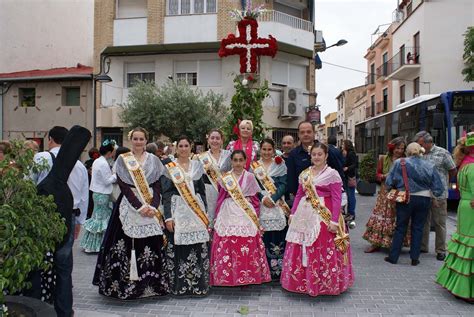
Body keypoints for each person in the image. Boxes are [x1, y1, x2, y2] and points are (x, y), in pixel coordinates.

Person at [93, 127, 169, 299]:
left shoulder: (154, 160)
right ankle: (124, 287)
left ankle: (152, 286)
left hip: (150, 203)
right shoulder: (123, 159)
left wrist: (154, 206)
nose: (138, 142)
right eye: (135, 138)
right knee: (125, 245)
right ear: (131, 140)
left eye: (141, 139)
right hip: (129, 203)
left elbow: (157, 184)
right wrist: (139, 206)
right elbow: (123, 185)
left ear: (146, 140)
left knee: (151, 245)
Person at [281, 142, 353, 296]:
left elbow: (336, 198)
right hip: (304, 213)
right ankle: (301, 281)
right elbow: (300, 194)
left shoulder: (332, 174)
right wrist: (293, 213)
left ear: (326, 156)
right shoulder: (305, 174)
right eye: (314, 154)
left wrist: (334, 221)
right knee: (301, 244)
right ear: (310, 156)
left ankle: (324, 283)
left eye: (320, 154)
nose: (317, 157)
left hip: (324, 214)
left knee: (321, 245)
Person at [31, 126, 89, 316]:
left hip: (42, 217)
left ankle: (38, 305)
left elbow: (28, 185)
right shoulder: (80, 166)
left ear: (50, 139)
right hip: (69, 217)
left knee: (39, 265)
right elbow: (84, 196)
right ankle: (64, 311)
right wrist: (79, 222)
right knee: (64, 267)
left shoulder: (41, 158)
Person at [210, 150, 271, 286]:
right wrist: (216, 216)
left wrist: (256, 217)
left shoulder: (250, 177)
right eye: (235, 160)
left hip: (245, 212)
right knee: (228, 243)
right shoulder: (225, 178)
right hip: (228, 211)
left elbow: (255, 200)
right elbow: (220, 198)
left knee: (246, 244)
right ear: (231, 161)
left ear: (245, 161)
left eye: (240, 160)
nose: (238, 163)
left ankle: (247, 276)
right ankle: (228, 277)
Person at [161, 136, 210, 296]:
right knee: (178, 249)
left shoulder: (197, 166)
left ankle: (198, 286)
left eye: (186, 145)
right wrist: (168, 217)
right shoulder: (170, 167)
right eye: (180, 146)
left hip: (195, 212)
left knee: (197, 247)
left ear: (191, 148)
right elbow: (166, 194)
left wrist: (205, 214)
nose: (183, 148)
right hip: (177, 212)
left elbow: (202, 192)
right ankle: (178, 286)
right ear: (176, 148)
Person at [384, 142, 444, 266]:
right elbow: (438, 187)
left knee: (400, 227)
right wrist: (435, 195)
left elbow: (389, 181)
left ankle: (393, 256)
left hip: (406, 198)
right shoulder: (429, 165)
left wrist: (392, 189)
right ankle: (415, 258)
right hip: (424, 199)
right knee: (418, 228)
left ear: (408, 151)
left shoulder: (400, 163)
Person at [436, 132, 474, 303]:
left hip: (465, 206)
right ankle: (465, 288)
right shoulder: (473, 167)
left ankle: (457, 282)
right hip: (471, 208)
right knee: (470, 244)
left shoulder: (465, 164)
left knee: (464, 242)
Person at [415, 131, 457, 261]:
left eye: (421, 144)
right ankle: (423, 246)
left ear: (428, 143)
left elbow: (453, 170)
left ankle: (440, 249)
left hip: (438, 194)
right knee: (424, 221)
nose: (419, 146)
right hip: (423, 193)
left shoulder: (442, 153)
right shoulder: (420, 154)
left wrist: (445, 184)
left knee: (439, 222)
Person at [363, 137, 409, 253]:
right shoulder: (383, 159)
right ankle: (376, 243)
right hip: (385, 192)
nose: (399, 151)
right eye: (397, 148)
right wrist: (384, 176)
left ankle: (394, 244)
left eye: (402, 148)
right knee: (381, 216)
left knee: (397, 217)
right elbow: (377, 174)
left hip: (399, 192)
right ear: (392, 148)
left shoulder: (406, 160)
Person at [251, 138, 288, 280]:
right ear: (260, 150)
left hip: (277, 203)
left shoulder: (280, 164)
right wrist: (262, 198)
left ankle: (277, 271)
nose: (266, 152)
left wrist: (274, 198)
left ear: (273, 150)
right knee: (263, 236)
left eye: (269, 149)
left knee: (278, 235)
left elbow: (284, 184)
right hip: (261, 204)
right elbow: (252, 186)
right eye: (264, 149)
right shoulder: (255, 166)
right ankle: (263, 270)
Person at [80, 140, 117, 253]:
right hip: (102, 193)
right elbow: (107, 181)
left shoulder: (97, 161)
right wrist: (116, 175)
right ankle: (95, 246)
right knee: (100, 220)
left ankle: (91, 244)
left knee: (97, 218)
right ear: (109, 152)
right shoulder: (103, 163)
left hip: (97, 193)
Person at [197, 129, 231, 228]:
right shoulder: (201, 157)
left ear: (222, 140)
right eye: (212, 138)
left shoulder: (228, 155)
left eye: (217, 138)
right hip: (208, 192)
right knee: (210, 219)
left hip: (225, 192)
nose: (215, 141)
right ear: (208, 140)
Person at [286, 121, 316, 197]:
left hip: (324, 199)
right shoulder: (293, 154)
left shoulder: (325, 151)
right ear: (298, 135)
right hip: (302, 199)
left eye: (308, 132)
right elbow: (291, 179)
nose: (305, 134)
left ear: (314, 133)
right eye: (302, 132)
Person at [342, 140, 358, 222]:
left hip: (350, 177)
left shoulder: (351, 153)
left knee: (351, 195)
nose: (342, 145)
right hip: (348, 176)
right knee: (349, 195)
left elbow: (355, 164)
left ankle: (352, 213)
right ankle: (349, 212)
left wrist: (347, 168)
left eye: (343, 144)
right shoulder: (347, 153)